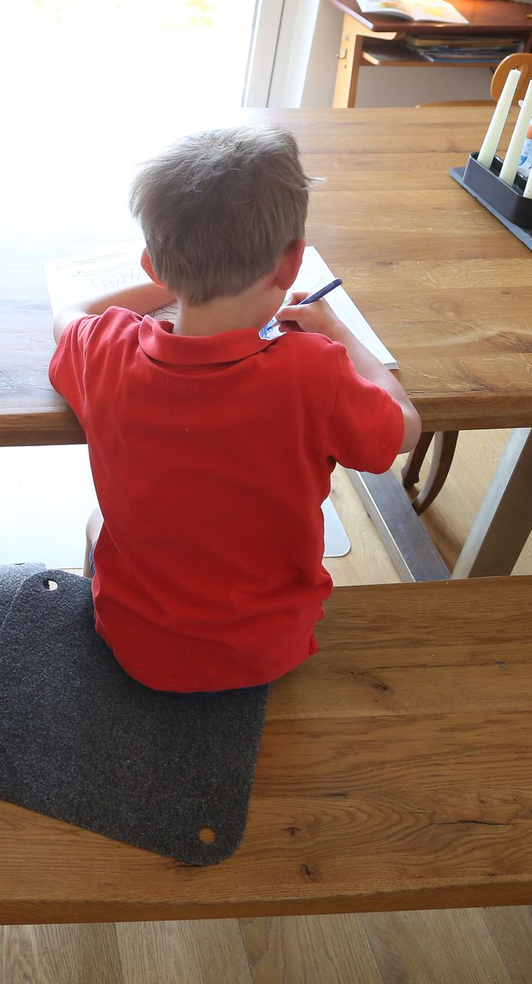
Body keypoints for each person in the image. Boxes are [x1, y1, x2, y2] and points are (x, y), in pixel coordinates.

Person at [49, 125, 420, 693]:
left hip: (137, 649)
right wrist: (338, 330)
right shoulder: (315, 370)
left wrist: (174, 277)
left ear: (152, 265)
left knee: (99, 521)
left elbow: (70, 312)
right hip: (269, 650)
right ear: (291, 266)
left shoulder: (106, 351)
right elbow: (405, 429)